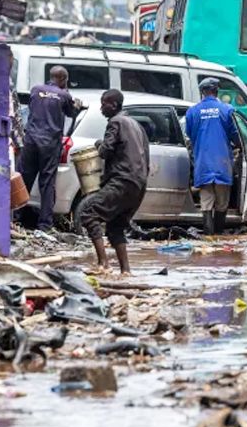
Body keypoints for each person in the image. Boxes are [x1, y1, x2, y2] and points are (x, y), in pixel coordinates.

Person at [80, 90, 150, 276]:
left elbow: (105, 151)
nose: (101, 108)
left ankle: (103, 264)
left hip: (122, 180)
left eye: (104, 104)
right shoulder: (137, 125)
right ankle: (126, 271)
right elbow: (146, 157)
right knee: (115, 227)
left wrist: (98, 144)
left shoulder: (115, 122)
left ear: (114, 105)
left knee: (88, 213)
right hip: (139, 185)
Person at [19, 65, 81, 231]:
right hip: (49, 144)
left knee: (24, 180)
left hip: (31, 141)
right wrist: (75, 103)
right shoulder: (64, 95)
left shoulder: (35, 90)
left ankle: (16, 218)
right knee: (46, 184)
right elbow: (71, 113)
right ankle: (45, 224)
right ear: (63, 79)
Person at [186, 77, 240, 235]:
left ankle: (209, 237)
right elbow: (235, 135)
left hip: (203, 163)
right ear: (217, 91)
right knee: (222, 203)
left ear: (202, 92)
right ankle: (218, 235)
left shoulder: (192, 112)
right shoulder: (227, 110)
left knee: (206, 202)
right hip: (222, 163)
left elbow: (190, 134)